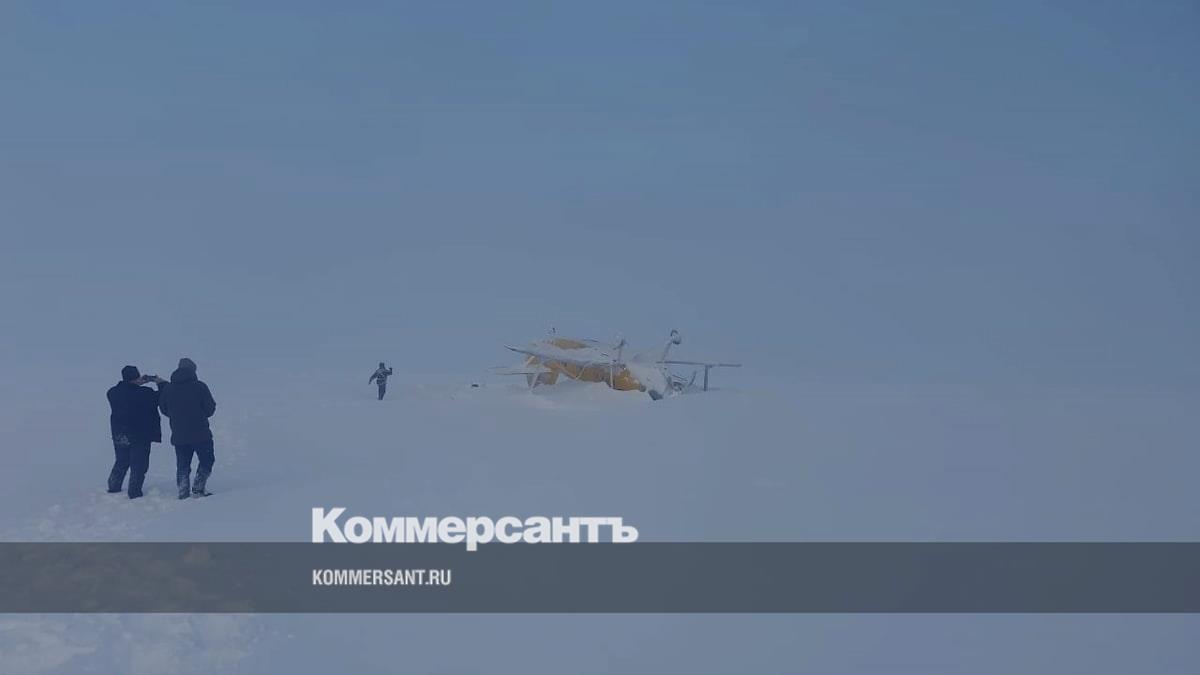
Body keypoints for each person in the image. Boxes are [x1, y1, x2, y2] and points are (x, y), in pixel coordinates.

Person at [159, 357, 217, 499]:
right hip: (201, 433)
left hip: (179, 434)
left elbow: (164, 409)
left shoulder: (168, 389)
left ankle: (183, 491)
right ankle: (198, 488)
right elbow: (210, 409)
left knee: (183, 465)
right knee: (207, 460)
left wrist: (177, 417)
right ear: (193, 370)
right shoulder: (200, 387)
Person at [106, 366, 165, 499]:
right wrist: (160, 383)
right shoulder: (145, 393)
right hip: (140, 434)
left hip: (119, 433)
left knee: (121, 461)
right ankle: (134, 492)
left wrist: (135, 383)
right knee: (139, 465)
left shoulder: (113, 393)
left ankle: (113, 486)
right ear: (136, 377)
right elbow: (160, 397)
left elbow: (126, 391)